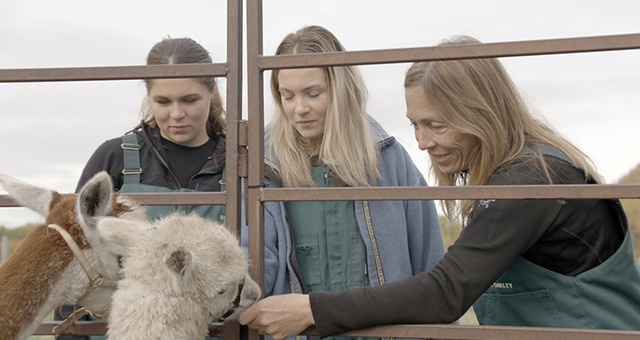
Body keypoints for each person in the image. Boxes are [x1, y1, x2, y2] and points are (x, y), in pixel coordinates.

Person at [239, 35, 640, 339]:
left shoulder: (530, 181)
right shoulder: (517, 174)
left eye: (436, 124)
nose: (422, 141)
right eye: (415, 124)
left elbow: (446, 289)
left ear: (479, 114)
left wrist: (312, 310)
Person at [240, 25, 446, 340]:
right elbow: (253, 266)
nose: (299, 109)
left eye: (313, 93)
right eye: (287, 95)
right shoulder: (263, 167)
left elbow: (429, 263)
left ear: (340, 88)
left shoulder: (389, 159)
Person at [54, 36, 227, 340]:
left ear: (212, 91)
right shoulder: (113, 158)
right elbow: (75, 256)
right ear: (148, 96)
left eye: (189, 100)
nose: (176, 114)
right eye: (163, 101)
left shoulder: (239, 163)